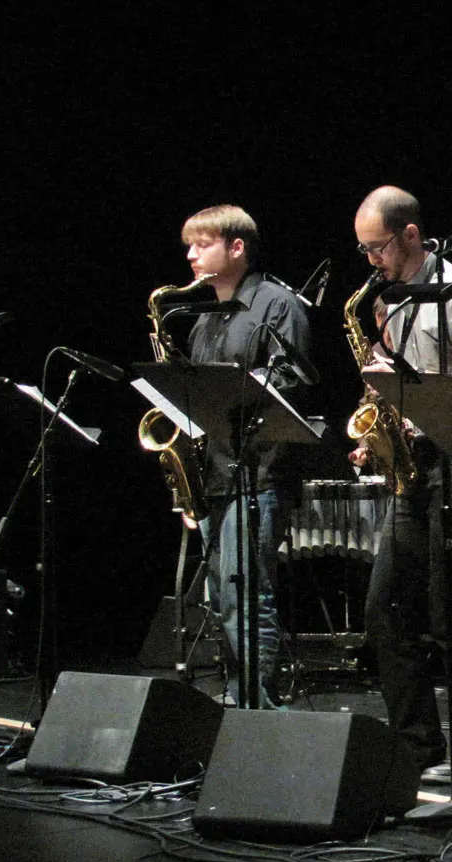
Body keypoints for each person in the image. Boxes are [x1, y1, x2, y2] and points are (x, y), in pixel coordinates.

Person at [351, 185, 452, 775]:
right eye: (364, 250)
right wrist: (377, 432)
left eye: (377, 248)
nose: (371, 260)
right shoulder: (389, 300)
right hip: (414, 475)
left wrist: (428, 409)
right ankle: (417, 747)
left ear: (411, 235)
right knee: (385, 609)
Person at [178, 204, 315, 708]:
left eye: (203, 244)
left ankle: (255, 709)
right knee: (224, 599)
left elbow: (293, 383)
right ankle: (237, 699)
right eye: (189, 246)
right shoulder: (203, 322)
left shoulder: (278, 305)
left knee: (247, 597)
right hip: (215, 474)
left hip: (259, 474)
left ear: (236, 247)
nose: (191, 256)